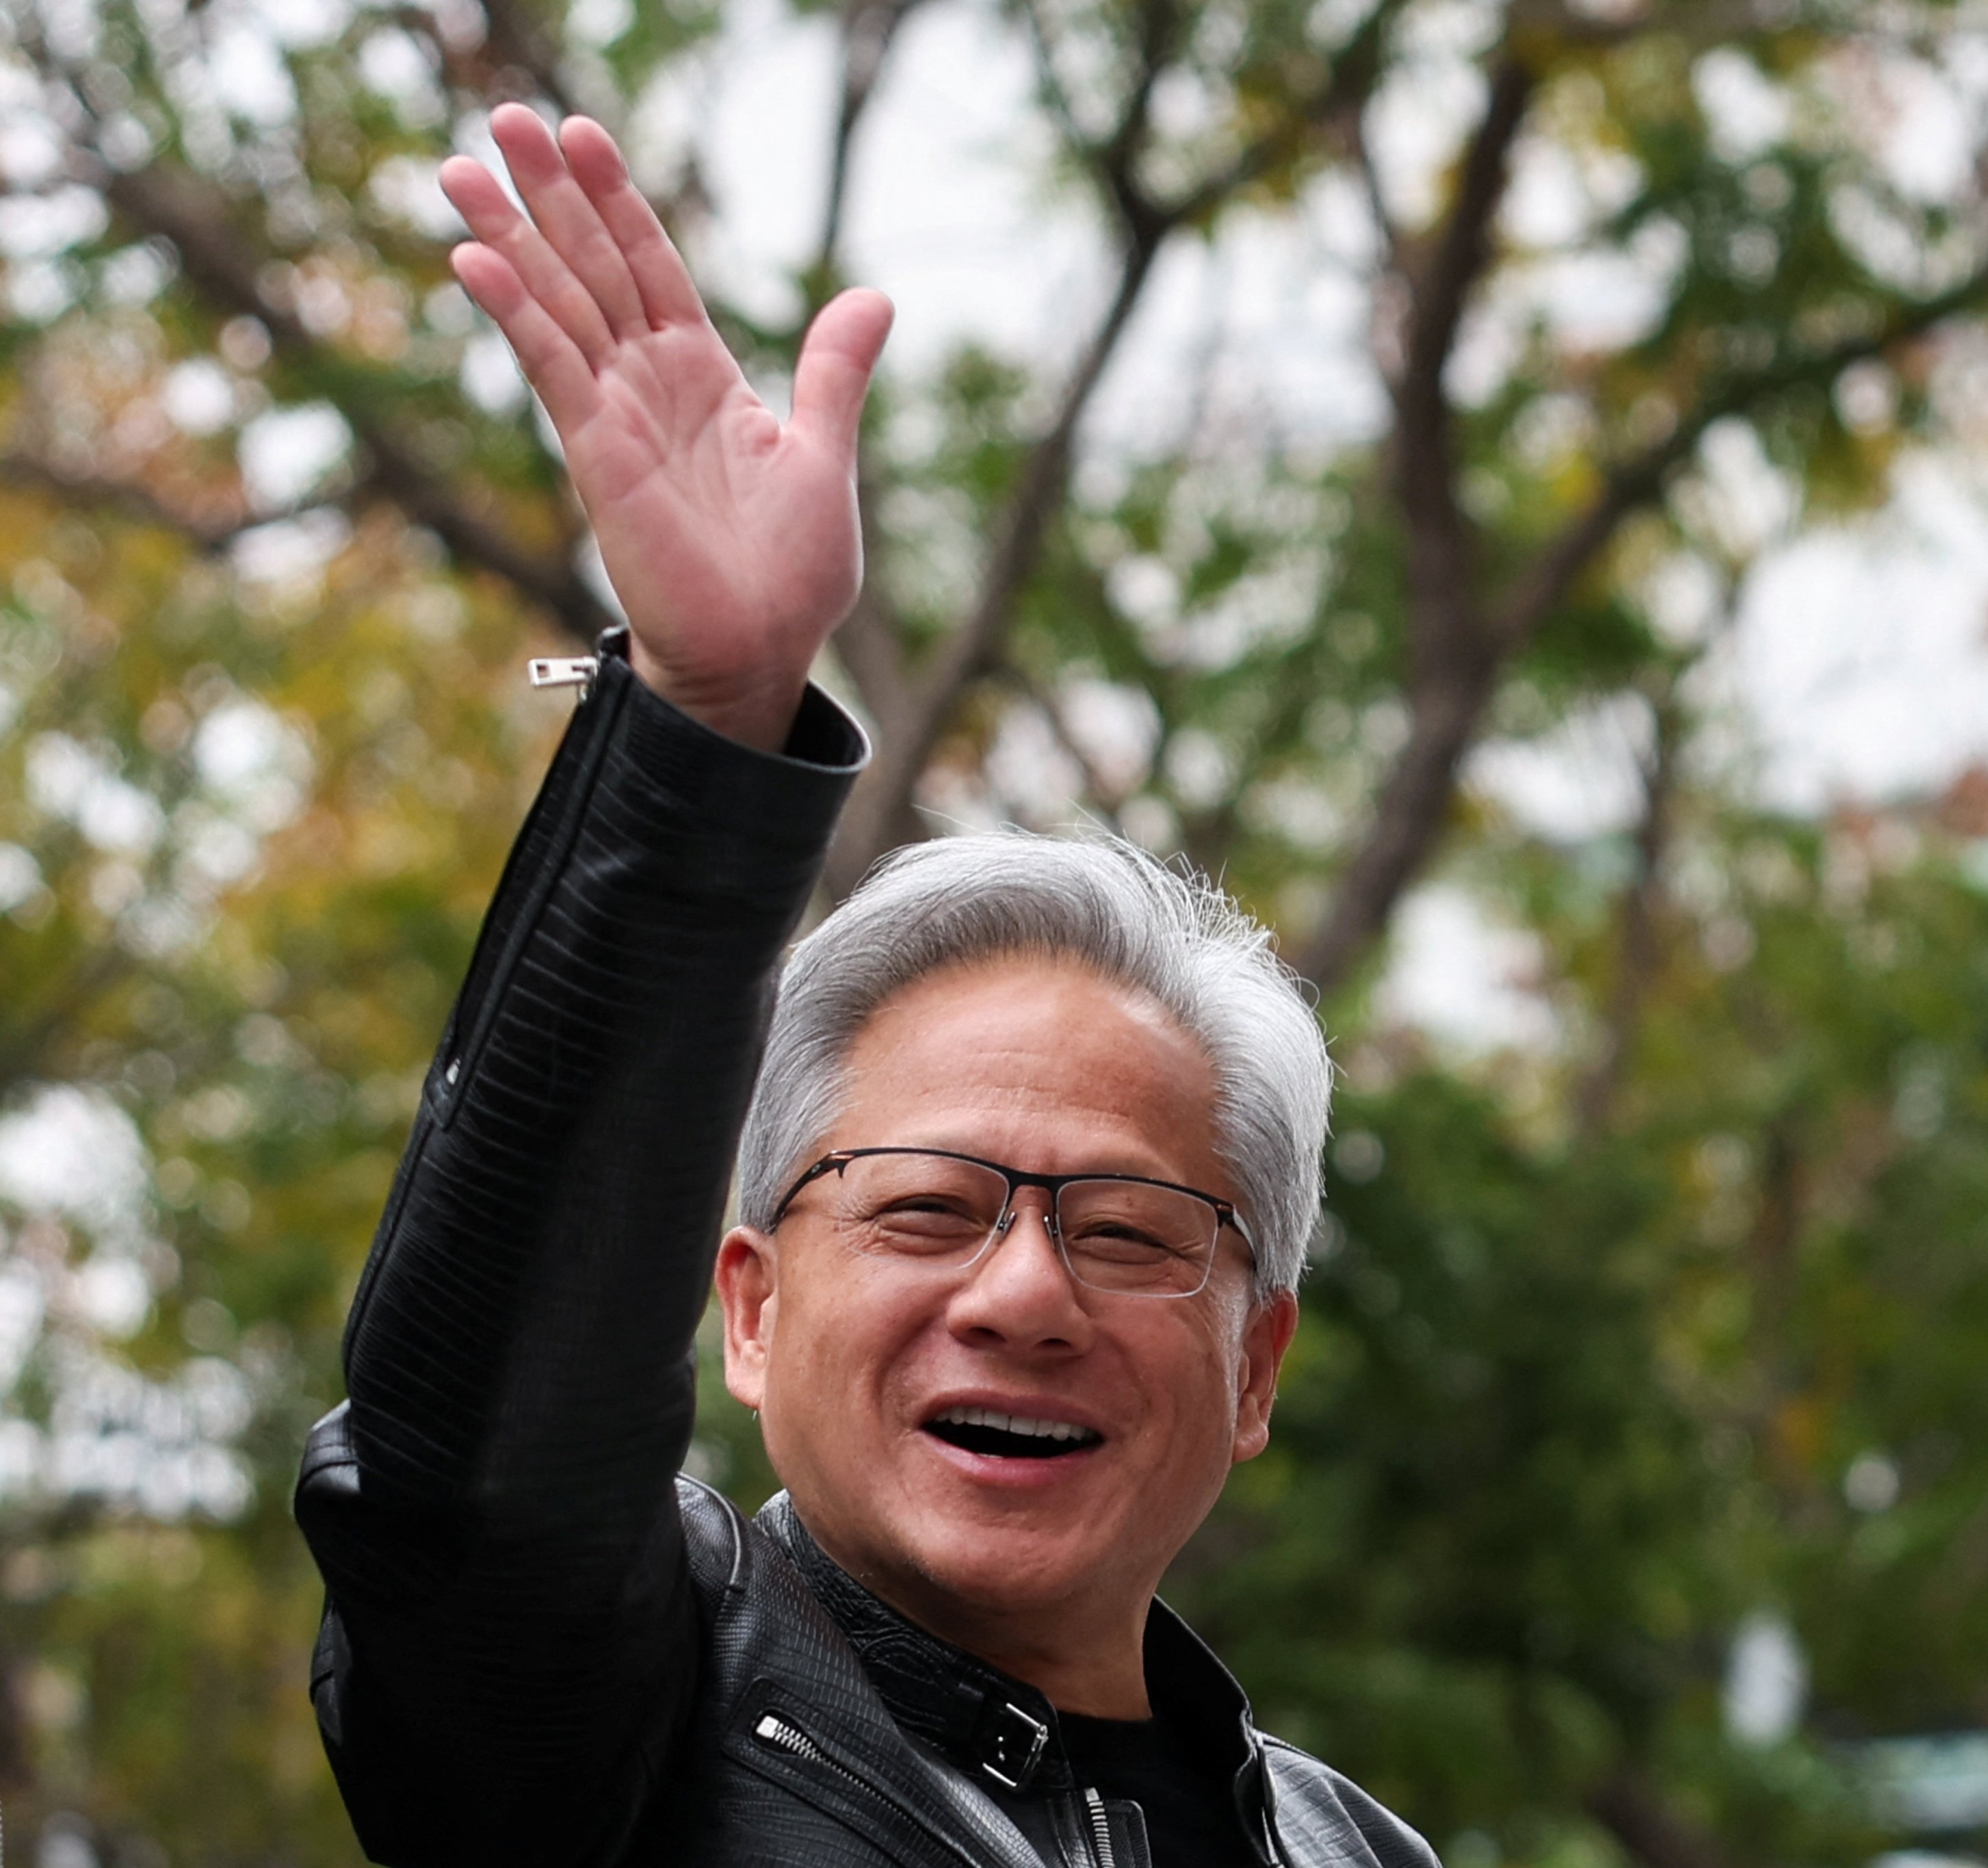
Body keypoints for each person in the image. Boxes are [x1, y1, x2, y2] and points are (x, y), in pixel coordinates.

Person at [292, 102, 1435, 1868]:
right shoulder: (626, 1707)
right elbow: (471, 1486)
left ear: (1258, 1357)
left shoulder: (1347, 1845)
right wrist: (705, 722)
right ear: (748, 1306)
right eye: (925, 1206)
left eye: (1132, 1227)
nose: (1025, 1292)